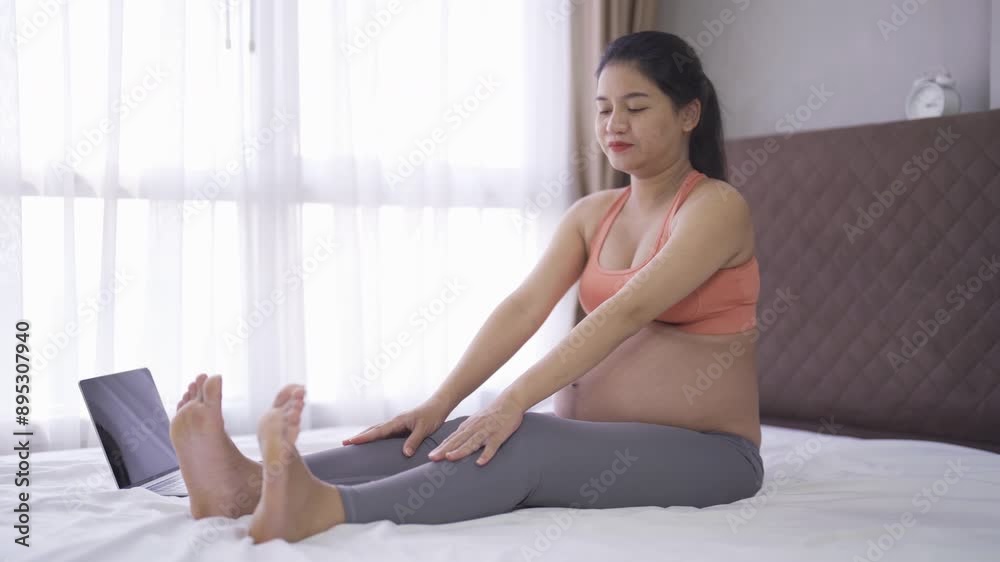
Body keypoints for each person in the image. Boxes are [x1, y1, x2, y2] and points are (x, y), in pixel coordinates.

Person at [168, 30, 764, 544]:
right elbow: (523, 307)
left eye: (636, 107)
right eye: (604, 108)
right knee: (435, 435)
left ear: (689, 114)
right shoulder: (593, 213)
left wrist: (512, 402)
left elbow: (625, 311)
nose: (614, 124)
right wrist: (440, 402)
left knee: (518, 437)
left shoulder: (714, 207)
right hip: (597, 438)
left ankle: (323, 508)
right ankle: (247, 485)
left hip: (710, 452)